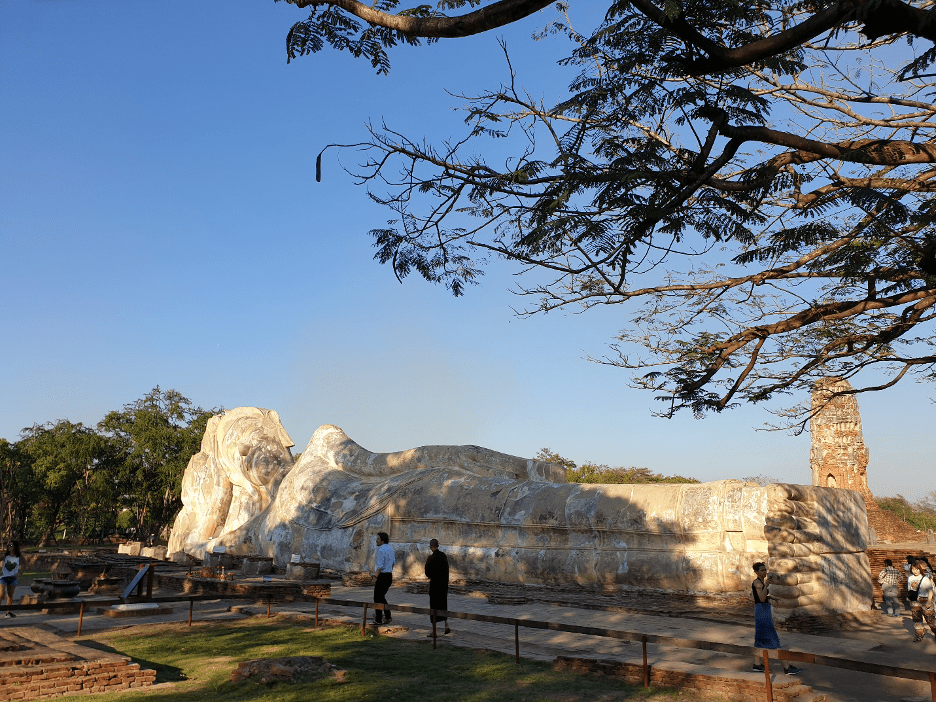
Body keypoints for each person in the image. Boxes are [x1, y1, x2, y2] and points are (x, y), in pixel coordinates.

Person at [751, 562, 802, 675]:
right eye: (762, 570)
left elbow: (764, 598)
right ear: (756, 572)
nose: (764, 572)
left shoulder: (761, 583)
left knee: (760, 638)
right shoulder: (757, 583)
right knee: (773, 638)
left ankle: (757, 664)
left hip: (763, 609)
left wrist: (773, 598)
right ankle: (786, 667)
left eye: (765, 570)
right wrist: (767, 586)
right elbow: (762, 598)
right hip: (762, 611)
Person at [424, 538, 450, 635]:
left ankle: (434, 631)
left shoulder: (431, 558)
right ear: (438, 546)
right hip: (443, 586)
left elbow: (427, 573)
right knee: (443, 605)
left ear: (431, 547)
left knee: (434, 607)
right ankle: (446, 625)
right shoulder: (444, 556)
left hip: (435, 586)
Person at [909, 564, 936, 642]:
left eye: (917, 569)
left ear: (920, 569)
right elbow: (910, 590)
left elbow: (930, 590)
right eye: (913, 569)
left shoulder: (925, 578)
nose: (915, 571)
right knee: (917, 620)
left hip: (924, 599)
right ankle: (919, 636)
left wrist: (929, 601)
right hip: (914, 601)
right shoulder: (910, 578)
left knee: (931, 620)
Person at [373, 532, 395, 625]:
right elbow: (393, 562)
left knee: (377, 597)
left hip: (382, 575)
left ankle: (379, 619)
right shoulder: (391, 549)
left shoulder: (381, 550)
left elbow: (380, 566)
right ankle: (387, 616)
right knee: (381, 597)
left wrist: (375, 576)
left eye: (378, 539)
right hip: (389, 575)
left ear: (382, 541)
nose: (376, 541)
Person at [1, 541, 21, 618]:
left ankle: (8, 612)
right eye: (8, 546)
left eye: (11, 545)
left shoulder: (19, 556)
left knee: (10, 596)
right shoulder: (5, 555)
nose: (9, 547)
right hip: (3, 577)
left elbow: (25, 565)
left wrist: (20, 572)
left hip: (13, 577)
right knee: (1, 595)